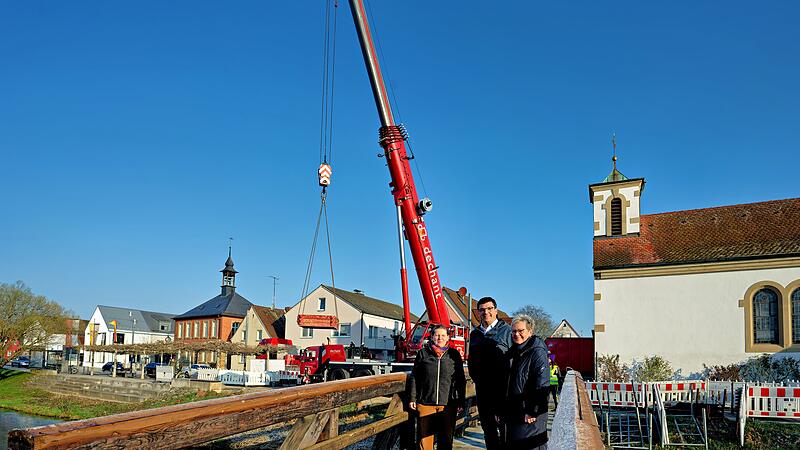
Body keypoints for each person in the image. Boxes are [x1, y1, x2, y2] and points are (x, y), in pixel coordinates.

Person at [407, 324, 466, 450]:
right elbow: (414, 376)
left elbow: (461, 380)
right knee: (425, 441)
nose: (440, 338)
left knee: (445, 440)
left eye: (443, 335)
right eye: (437, 335)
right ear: (432, 337)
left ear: (448, 338)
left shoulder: (454, 355)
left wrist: (461, 400)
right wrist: (413, 397)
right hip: (426, 403)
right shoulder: (423, 353)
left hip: (447, 404)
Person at [468, 296, 513, 450]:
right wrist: (477, 379)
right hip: (483, 391)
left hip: (503, 391)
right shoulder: (475, 334)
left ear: (496, 310)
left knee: (505, 430)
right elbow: (471, 361)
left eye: (489, 309)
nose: (486, 312)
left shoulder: (507, 331)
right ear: (478, 313)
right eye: (482, 310)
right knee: (488, 429)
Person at [502, 314, 550, 450]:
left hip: (529, 415)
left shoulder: (537, 352)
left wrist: (533, 411)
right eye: (514, 331)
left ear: (530, 331)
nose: (516, 334)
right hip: (514, 412)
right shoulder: (513, 352)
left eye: (520, 331)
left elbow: (542, 384)